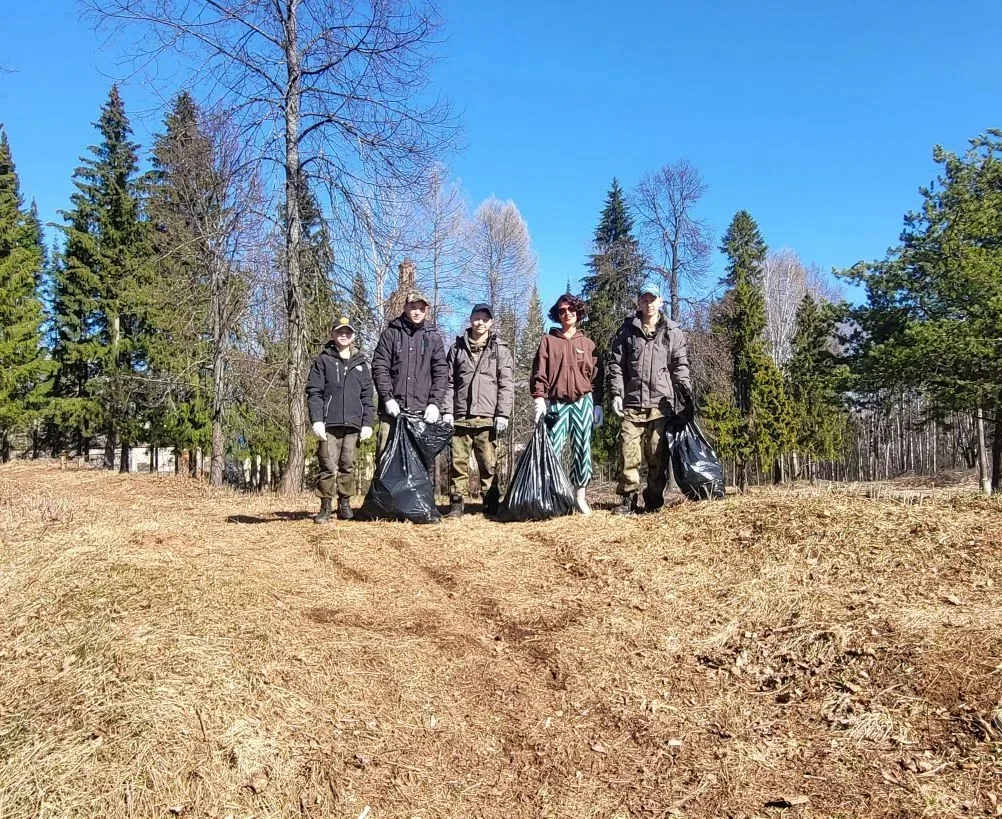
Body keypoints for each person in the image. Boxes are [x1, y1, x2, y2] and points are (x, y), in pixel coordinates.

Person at [607, 282, 694, 515]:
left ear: (660, 301)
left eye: (652, 299)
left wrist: (685, 393)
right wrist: (617, 393)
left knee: (657, 453)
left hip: (661, 404)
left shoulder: (672, 332)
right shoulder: (626, 331)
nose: (649, 304)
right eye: (644, 300)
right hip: (632, 403)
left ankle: (654, 499)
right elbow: (615, 365)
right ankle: (628, 499)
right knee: (629, 452)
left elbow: (680, 366)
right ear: (639, 303)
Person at [530, 293, 603, 516]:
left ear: (578, 312)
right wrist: (539, 399)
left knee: (583, 449)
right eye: (562, 311)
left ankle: (579, 496)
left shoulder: (588, 344)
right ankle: (551, 495)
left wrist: (598, 405)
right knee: (552, 448)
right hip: (557, 403)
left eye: (571, 309)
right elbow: (538, 372)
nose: (567, 314)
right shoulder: (548, 341)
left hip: (583, 402)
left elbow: (597, 378)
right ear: (557, 314)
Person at [442, 303, 514, 517]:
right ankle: (456, 504)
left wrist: (503, 413)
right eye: (477, 318)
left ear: (491, 322)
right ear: (470, 319)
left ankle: (491, 503)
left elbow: (506, 384)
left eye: (485, 318)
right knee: (458, 463)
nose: (480, 322)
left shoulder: (500, 349)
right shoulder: (456, 348)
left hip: (487, 416)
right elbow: (448, 383)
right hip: (460, 416)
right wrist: (447, 410)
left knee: (488, 464)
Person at [306, 317, 375, 523]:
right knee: (327, 465)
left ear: (353, 335)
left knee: (348, 464)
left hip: (353, 424)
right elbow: (314, 392)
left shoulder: (362, 363)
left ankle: (345, 504)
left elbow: (367, 396)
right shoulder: (323, 360)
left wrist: (367, 423)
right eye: (339, 331)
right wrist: (317, 419)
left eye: (347, 332)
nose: (343, 335)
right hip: (329, 423)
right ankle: (325, 506)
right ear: (332, 334)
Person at [370, 290, 448, 456]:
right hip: (392, 413)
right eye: (413, 307)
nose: (417, 312)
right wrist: (388, 398)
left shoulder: (433, 337)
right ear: (405, 307)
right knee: (385, 459)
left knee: (420, 463)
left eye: (421, 308)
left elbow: (441, 373)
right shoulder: (391, 334)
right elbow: (379, 366)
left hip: (421, 414)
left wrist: (435, 403)